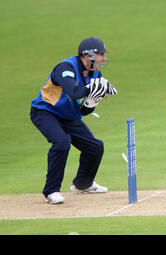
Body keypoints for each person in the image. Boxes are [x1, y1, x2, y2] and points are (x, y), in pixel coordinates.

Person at [30, 37, 117, 204]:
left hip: (68, 116)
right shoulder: (66, 68)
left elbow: (84, 111)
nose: (103, 58)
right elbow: (74, 92)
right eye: (100, 54)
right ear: (88, 55)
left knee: (95, 147)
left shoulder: (95, 73)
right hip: (45, 111)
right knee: (62, 142)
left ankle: (83, 184)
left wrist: (95, 99)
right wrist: (92, 89)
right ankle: (51, 191)